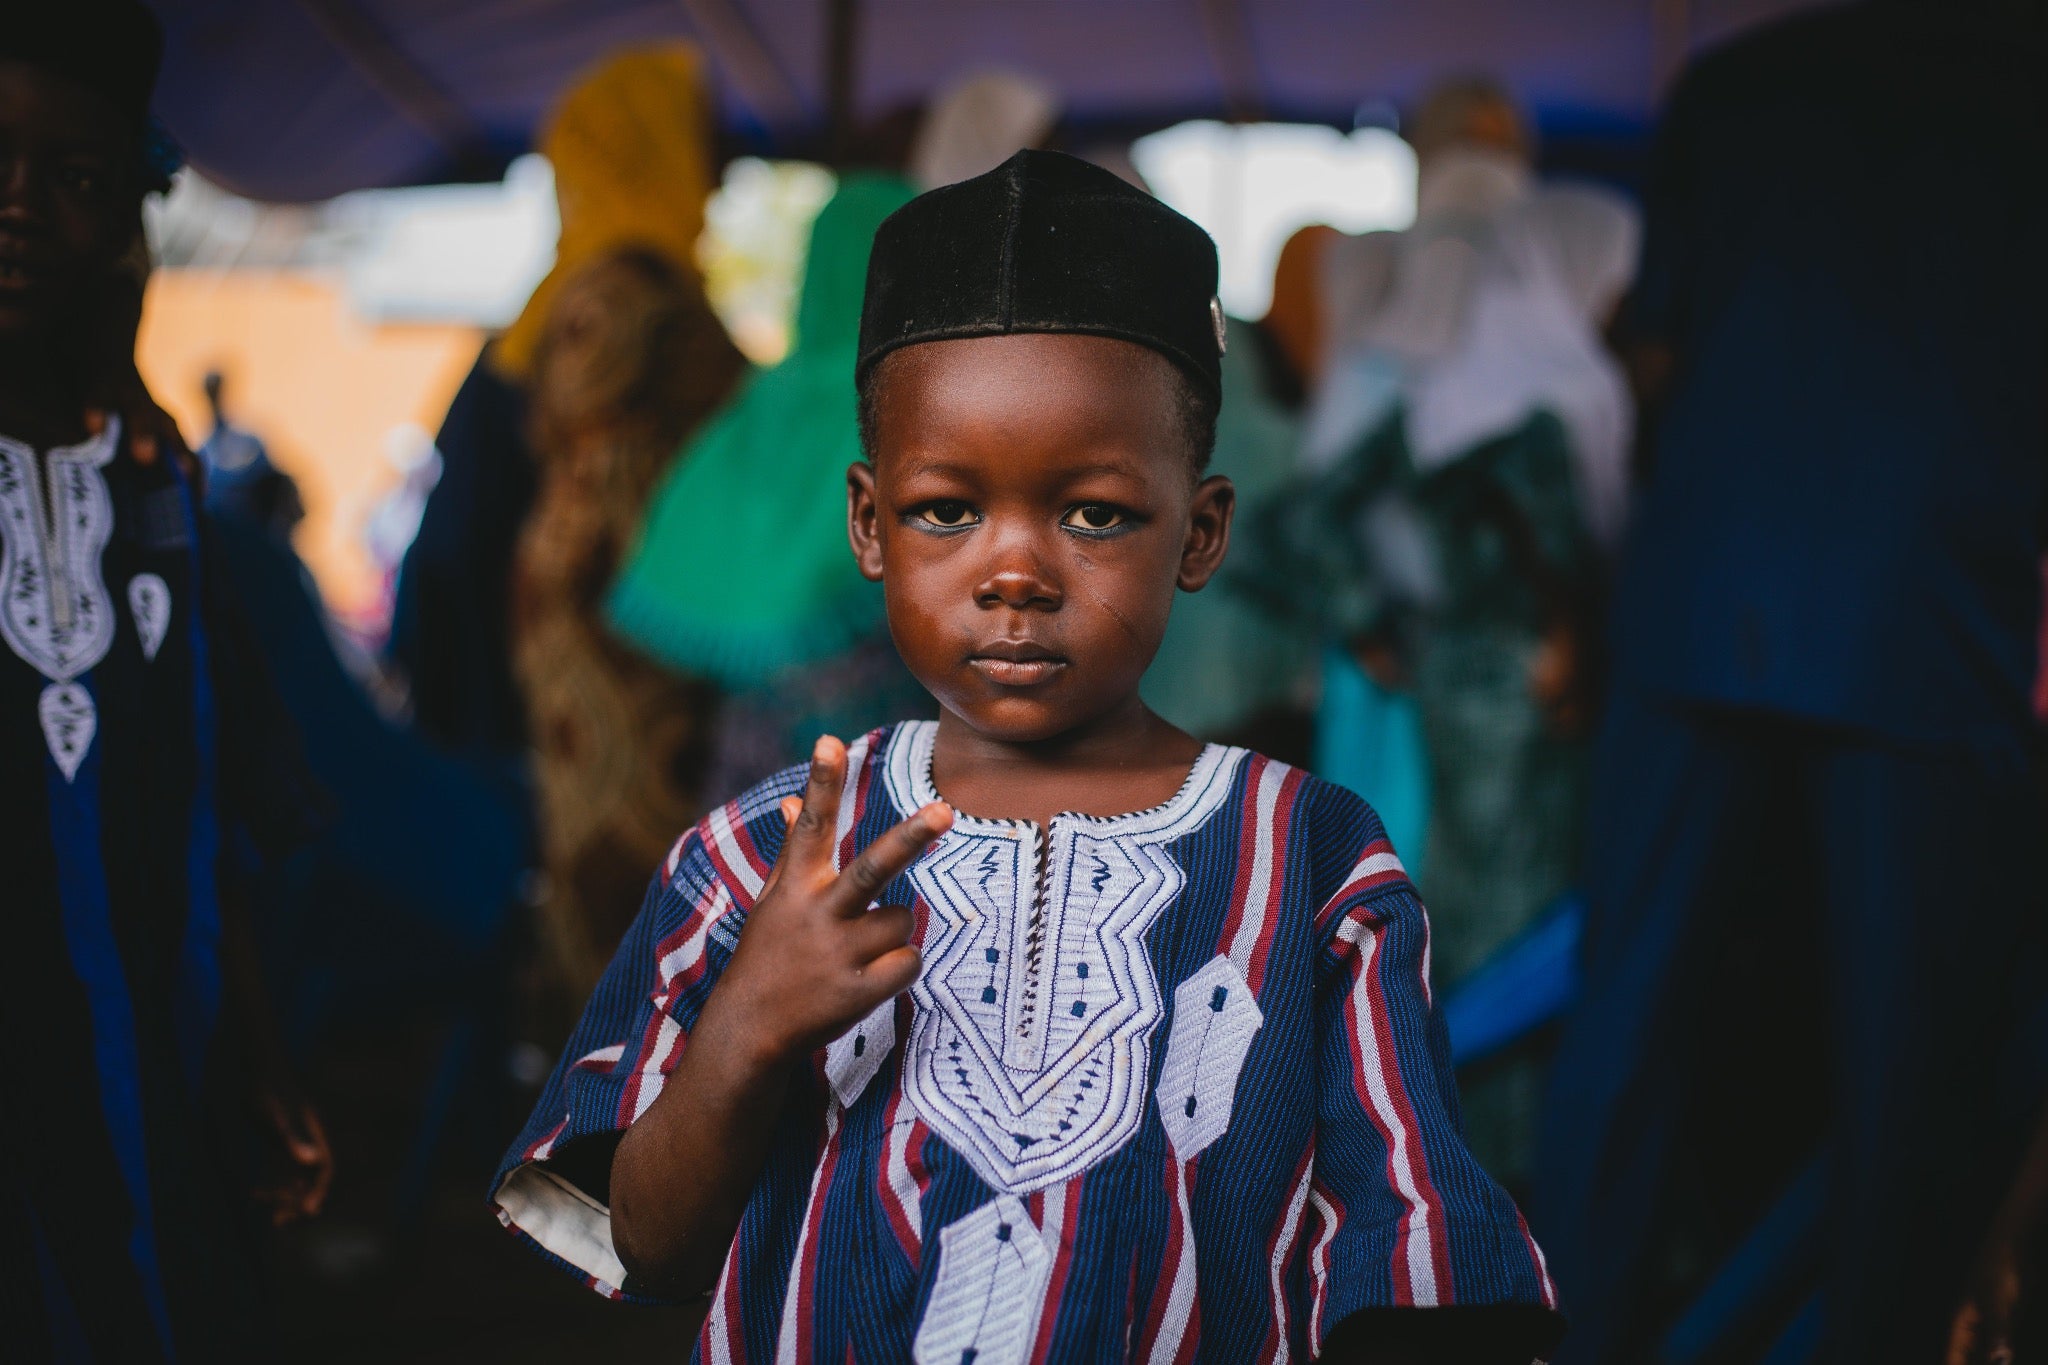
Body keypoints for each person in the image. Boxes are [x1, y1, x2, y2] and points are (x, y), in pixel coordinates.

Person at [494, 150, 1562, 1364]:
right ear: (866, 524)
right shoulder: (755, 860)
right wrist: (742, 1030)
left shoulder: (1313, 864)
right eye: (945, 509)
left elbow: (1412, 1251)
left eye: (1093, 513)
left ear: (1200, 532)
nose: (1013, 572)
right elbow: (649, 1245)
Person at [1532, 4, 2048, 1362]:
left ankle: (1568, 1336)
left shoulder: (1739, 79)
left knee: (1626, 1013)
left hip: (1708, 586)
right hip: (1927, 610)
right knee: (1905, 1065)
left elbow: (1651, 341)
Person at [0, 6, 333, 1357]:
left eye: (72, 177)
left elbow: (211, 817)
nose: (17, 210)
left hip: (153, 1087)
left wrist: (248, 1055)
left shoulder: (157, 490)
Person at [1239, 79, 1638, 1187]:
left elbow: (1315, 507)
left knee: (1395, 942)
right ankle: (1486, 1216)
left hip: (1399, 686)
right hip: (1519, 684)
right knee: (1508, 952)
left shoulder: (1389, 291)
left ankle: (1409, 1206)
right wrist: (1570, 623)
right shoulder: (1562, 272)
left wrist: (1367, 624)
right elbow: (1573, 497)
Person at [388, 43, 717, 759]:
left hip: (509, 719)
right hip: (637, 735)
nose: (715, 187)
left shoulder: (523, 339)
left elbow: (446, 549)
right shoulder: (670, 330)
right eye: (703, 151)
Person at [604, 173, 934, 796]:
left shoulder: (764, 400)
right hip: (888, 746)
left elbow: (685, 534)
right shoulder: (910, 400)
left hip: (755, 745)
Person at [513, 246, 747, 994]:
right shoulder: (673, 496)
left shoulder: (560, 495)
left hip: (578, 821)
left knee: (602, 1001)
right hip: (665, 821)